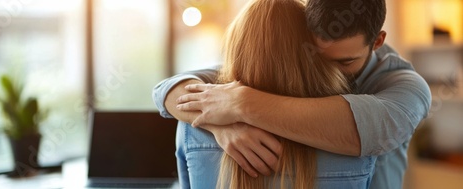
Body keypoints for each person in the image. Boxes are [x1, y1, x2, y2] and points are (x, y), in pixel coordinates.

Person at [153, 0, 431, 188]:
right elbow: (168, 90)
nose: (328, 72)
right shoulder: (297, 59)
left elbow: (374, 130)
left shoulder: (405, 85)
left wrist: (241, 104)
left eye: (345, 62)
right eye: (318, 59)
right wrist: (220, 123)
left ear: (378, 42)